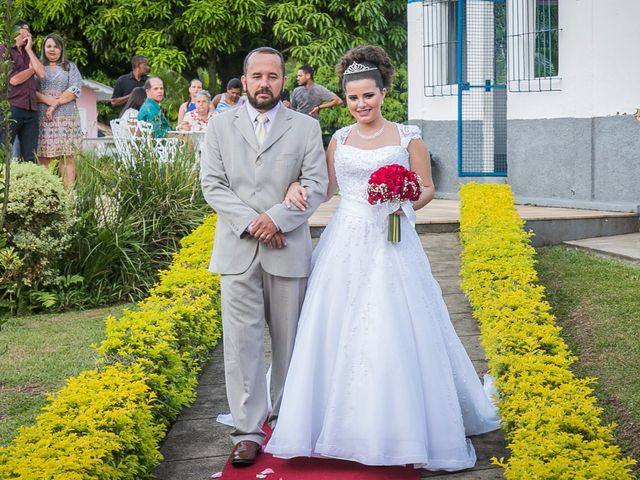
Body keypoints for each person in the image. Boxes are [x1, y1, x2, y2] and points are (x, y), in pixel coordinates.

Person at [265, 45, 500, 471]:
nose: (360, 105)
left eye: (368, 96)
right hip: (345, 240)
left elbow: (426, 187)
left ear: (384, 92)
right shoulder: (339, 139)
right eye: (353, 98)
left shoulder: (408, 137)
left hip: (392, 240)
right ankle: (328, 422)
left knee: (394, 324)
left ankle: (398, 425)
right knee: (334, 325)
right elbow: (328, 188)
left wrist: (404, 201)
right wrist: (293, 190)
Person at [200, 46, 328, 467]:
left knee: (291, 341)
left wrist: (276, 218)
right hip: (237, 250)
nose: (264, 83)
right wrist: (255, 222)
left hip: (288, 248)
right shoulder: (219, 126)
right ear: (245, 78)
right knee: (242, 346)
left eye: (273, 76)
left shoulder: (305, 128)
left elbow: (316, 183)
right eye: (257, 76)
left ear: (283, 80)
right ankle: (249, 431)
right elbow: (212, 185)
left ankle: (289, 421)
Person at [35, 33, 83, 186]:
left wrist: (55, 104)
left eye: (56, 46)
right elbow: (31, 91)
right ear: (43, 48)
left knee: (66, 156)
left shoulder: (70, 67)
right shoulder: (37, 67)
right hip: (43, 118)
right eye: (49, 46)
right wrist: (47, 100)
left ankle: (68, 196)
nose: (52, 49)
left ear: (61, 49)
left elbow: (74, 90)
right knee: (44, 156)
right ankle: (46, 196)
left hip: (67, 116)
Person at [0, 20, 45, 162]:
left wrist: (29, 50)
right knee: (4, 152)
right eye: (26, 29)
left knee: (31, 156)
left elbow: (42, 74)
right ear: (17, 30)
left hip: (31, 108)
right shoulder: (4, 50)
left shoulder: (28, 52)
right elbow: (13, 80)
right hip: (12, 107)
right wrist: (32, 70)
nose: (29, 33)